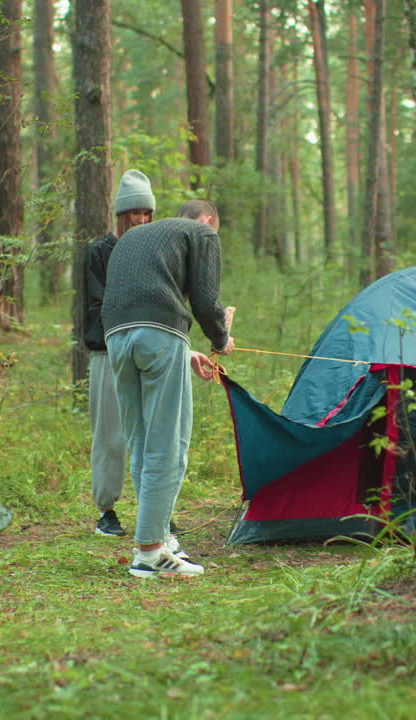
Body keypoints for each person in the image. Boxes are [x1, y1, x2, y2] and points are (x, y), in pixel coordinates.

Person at [102, 199, 235, 578]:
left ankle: (157, 537)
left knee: (142, 443)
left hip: (117, 337)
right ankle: (149, 553)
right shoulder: (202, 232)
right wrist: (221, 337)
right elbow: (207, 301)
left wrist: (184, 350)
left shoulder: (134, 236)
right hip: (157, 335)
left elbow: (141, 300)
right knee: (169, 444)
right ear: (208, 219)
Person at [82, 170, 156, 538]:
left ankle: (155, 508)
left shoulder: (156, 251)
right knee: (110, 435)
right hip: (108, 353)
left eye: (146, 213)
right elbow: (95, 306)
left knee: (152, 433)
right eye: (134, 214)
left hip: (148, 352)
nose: (141, 220)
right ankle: (106, 510)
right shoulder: (99, 252)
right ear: (120, 214)